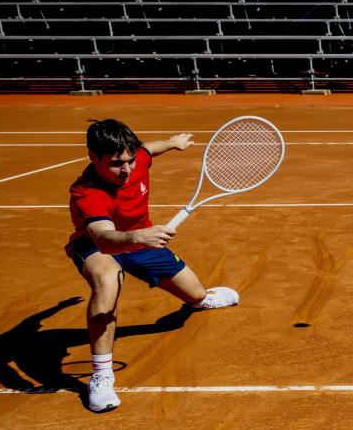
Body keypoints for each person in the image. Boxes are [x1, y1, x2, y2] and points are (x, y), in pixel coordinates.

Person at [66, 119, 239, 413]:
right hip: (99, 244)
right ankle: (102, 375)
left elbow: (149, 150)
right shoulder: (86, 193)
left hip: (141, 240)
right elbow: (105, 240)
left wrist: (173, 142)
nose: (127, 170)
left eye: (130, 162)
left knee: (197, 296)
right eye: (116, 164)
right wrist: (137, 236)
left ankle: (200, 300)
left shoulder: (136, 159)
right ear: (92, 157)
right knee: (108, 278)